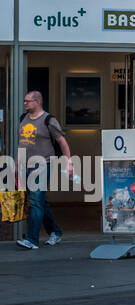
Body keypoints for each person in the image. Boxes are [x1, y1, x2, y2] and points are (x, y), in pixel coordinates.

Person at [16, 91, 74, 249]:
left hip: (43, 164)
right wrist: (17, 165)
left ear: (38, 102)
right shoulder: (23, 118)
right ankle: (55, 231)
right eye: (24, 101)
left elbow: (62, 142)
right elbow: (22, 144)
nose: (25, 104)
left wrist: (68, 161)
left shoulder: (49, 120)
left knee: (35, 201)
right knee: (38, 200)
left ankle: (32, 240)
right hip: (26, 165)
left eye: (28, 101)